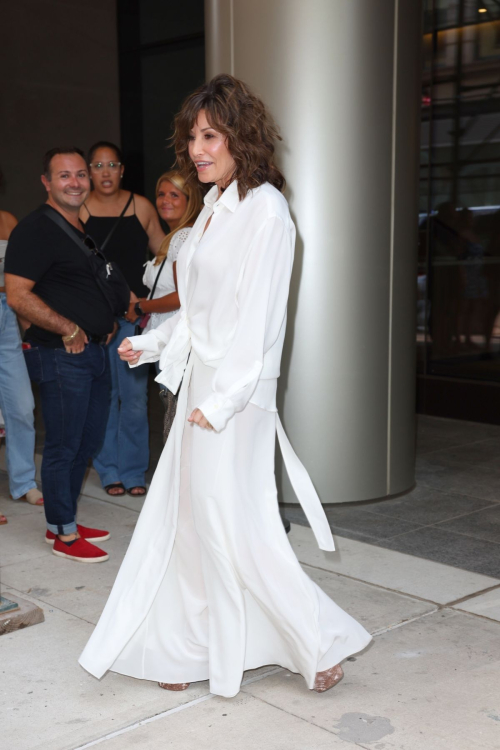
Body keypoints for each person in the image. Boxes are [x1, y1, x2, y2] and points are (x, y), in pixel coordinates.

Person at [79, 75, 371, 697]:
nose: (198, 149)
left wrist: (223, 400)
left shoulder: (266, 210)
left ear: (242, 136)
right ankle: (189, 647)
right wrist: (153, 343)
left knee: (235, 522)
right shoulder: (212, 207)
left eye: (211, 135)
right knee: (188, 518)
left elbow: (261, 320)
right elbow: (200, 308)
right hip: (203, 386)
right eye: (192, 137)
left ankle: (314, 642)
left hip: (235, 396)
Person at [5, 147, 114, 563]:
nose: (75, 182)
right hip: (61, 355)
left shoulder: (76, 227)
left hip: (93, 354)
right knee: (64, 446)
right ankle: (64, 535)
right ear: (46, 182)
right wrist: (67, 327)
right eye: (64, 175)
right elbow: (17, 295)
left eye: (80, 174)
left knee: (86, 441)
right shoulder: (34, 229)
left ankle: (61, 519)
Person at [80, 142, 165, 499]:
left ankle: (133, 471)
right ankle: (108, 468)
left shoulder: (141, 206)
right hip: (96, 318)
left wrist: (150, 303)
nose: (105, 172)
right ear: (89, 171)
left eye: (112, 164)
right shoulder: (79, 209)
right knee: (104, 394)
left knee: (132, 398)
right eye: (97, 165)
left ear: (121, 170)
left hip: (133, 316)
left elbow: (165, 253)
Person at [126, 171, 203, 440]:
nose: (165, 200)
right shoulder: (173, 238)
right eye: (161, 194)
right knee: (175, 412)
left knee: (178, 415)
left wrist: (141, 307)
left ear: (190, 200)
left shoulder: (183, 238)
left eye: (175, 194)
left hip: (174, 340)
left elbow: (182, 297)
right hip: (168, 338)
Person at [0, 202, 43, 528]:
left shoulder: (8, 220)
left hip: (6, 315)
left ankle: (23, 482)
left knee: (22, 405)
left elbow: (21, 276)